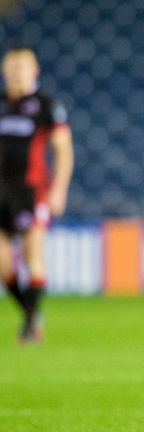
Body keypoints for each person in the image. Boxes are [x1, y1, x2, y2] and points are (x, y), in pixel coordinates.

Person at [0, 46, 74, 343]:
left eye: (22, 67)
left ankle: (30, 325)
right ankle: (31, 314)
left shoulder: (46, 106)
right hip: (1, 193)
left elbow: (63, 149)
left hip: (33, 191)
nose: (16, 72)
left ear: (34, 71)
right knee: (3, 264)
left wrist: (59, 189)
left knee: (34, 255)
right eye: (12, 67)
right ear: (4, 71)